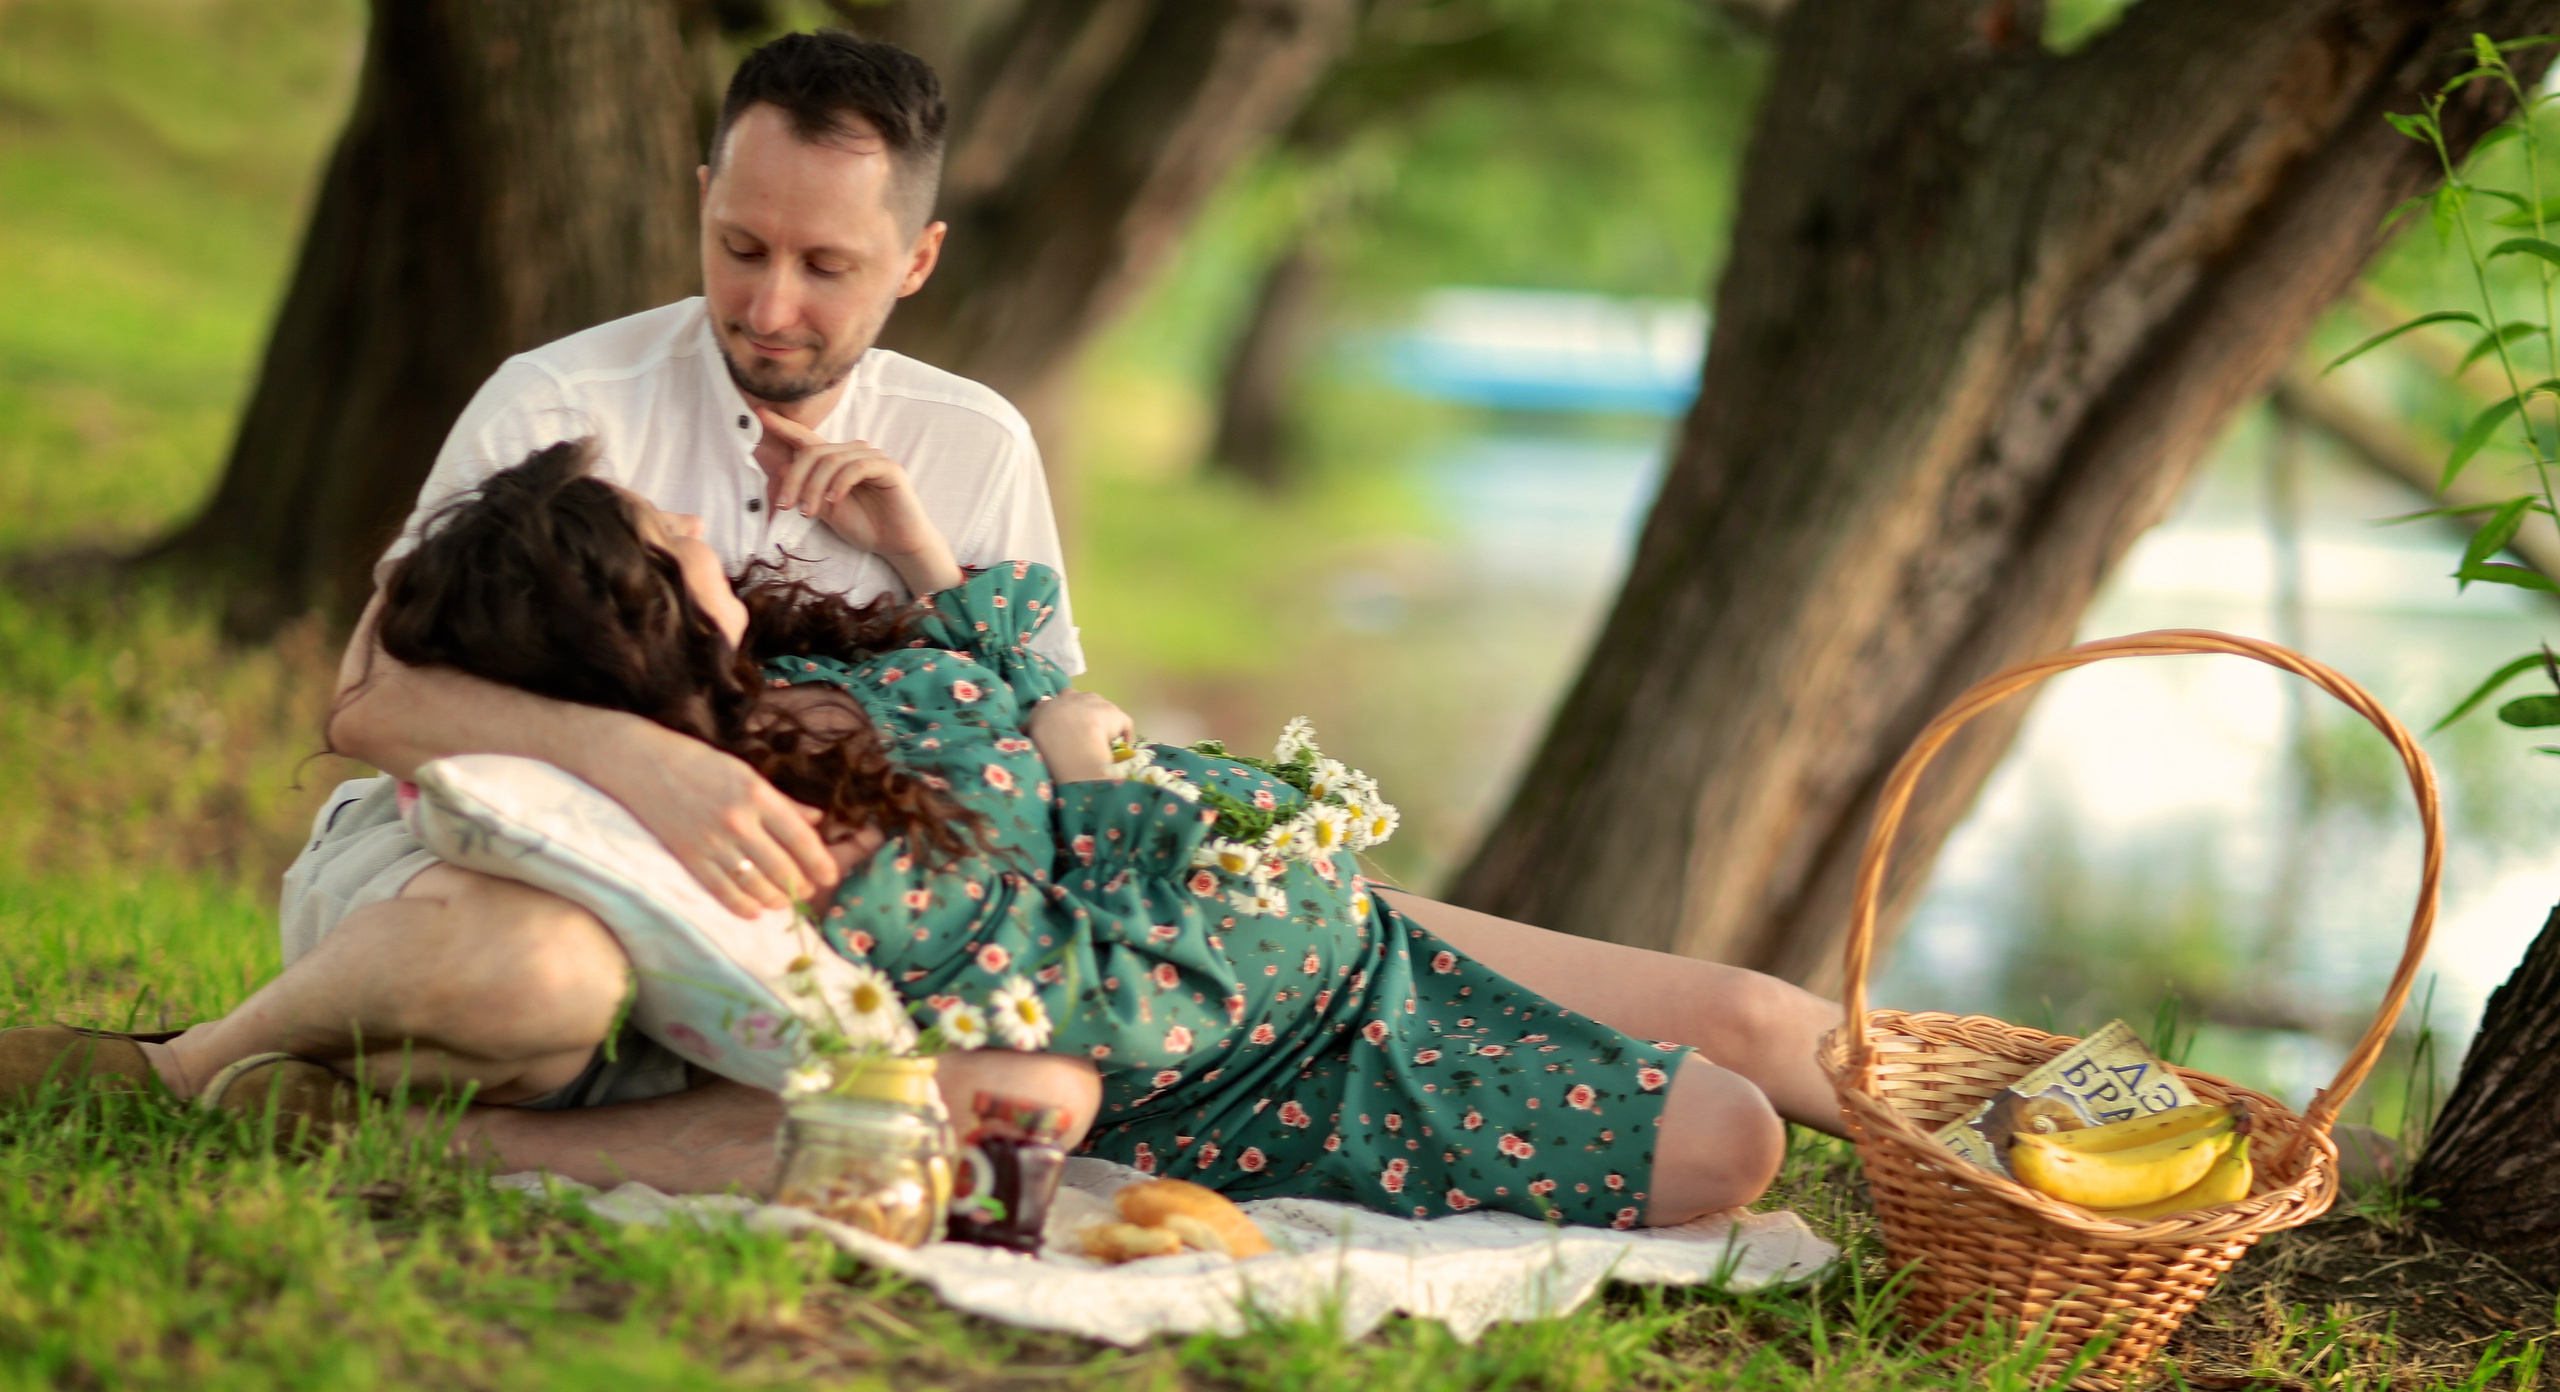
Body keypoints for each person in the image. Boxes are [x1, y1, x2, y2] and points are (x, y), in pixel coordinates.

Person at [48, 440, 1848, 1228]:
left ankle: (2022, 1140)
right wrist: (1093, 762)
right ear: (629, 619)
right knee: (1735, 1135)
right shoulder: (778, 837)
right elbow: (1087, 1012)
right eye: (665, 533)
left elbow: (1025, 679)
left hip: (1337, 919)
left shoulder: (795, 672)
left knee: (1765, 1012)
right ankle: (392, 1132)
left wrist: (924, 554)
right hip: (1284, 1052)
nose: (700, 521)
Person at [0, 31, 1084, 1155]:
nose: (769, 305)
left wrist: (929, 570)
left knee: (1015, 1098)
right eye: (740, 246)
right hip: (494, 881)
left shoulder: (976, 448)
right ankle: (180, 1066)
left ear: (916, 259)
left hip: (799, 937)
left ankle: (442, 1144)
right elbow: (370, 697)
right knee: (546, 973)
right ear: (702, 199)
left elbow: (1057, 736)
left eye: (825, 267)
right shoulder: (564, 399)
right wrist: (642, 762)